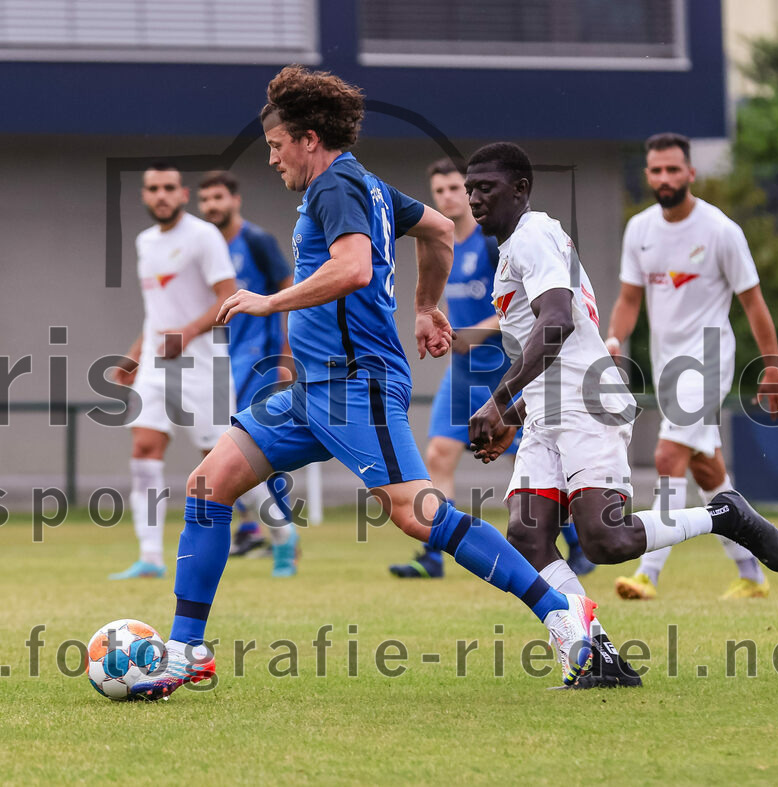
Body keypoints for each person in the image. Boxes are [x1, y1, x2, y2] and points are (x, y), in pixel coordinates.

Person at [130, 66, 599, 700]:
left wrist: (270, 303)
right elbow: (437, 230)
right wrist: (427, 306)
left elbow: (351, 268)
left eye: (276, 146)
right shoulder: (366, 185)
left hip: (358, 387)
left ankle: (566, 620)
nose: (272, 159)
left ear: (309, 138)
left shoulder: (336, 187)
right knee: (208, 484)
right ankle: (186, 651)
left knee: (418, 514)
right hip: (312, 391)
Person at [465, 143, 778, 690]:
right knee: (527, 536)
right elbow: (560, 347)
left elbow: (558, 322)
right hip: (551, 411)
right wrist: (517, 414)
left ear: (521, 189)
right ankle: (596, 656)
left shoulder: (533, 235)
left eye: (487, 188)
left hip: (589, 406)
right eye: (470, 189)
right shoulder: (515, 248)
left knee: (604, 541)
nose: (475, 199)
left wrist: (498, 401)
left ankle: (722, 515)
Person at [387, 158, 594, 579]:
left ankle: (578, 543)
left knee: (533, 461)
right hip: (462, 371)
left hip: (504, 367)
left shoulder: (493, 243)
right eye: (443, 190)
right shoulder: (446, 246)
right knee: (439, 455)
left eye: (454, 189)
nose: (451, 197)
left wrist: (478, 332)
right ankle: (433, 553)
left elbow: (520, 310)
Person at [607, 133, 778, 601]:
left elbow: (753, 302)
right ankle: (751, 575)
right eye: (656, 170)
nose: (664, 178)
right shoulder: (640, 230)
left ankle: (648, 572)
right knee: (709, 471)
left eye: (673, 169)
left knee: (668, 457)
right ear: (647, 175)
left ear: (691, 173)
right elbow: (630, 299)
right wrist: (613, 340)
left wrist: (773, 366)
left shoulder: (721, 230)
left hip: (708, 359)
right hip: (669, 366)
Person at [109, 163, 238, 580]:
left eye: (168, 187)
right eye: (152, 188)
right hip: (157, 364)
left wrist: (186, 334)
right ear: (144, 196)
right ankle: (150, 556)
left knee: (223, 464)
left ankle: (279, 532)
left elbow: (228, 297)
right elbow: (157, 311)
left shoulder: (204, 236)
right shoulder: (144, 242)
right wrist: (135, 353)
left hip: (205, 365)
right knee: (144, 447)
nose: (160, 195)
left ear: (183, 194)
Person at [197, 169, 299, 577]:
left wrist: (288, 352)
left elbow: (288, 287)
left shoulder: (255, 241)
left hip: (257, 357)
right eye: (205, 201)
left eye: (218, 197)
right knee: (221, 449)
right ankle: (253, 527)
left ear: (235, 200)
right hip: (216, 361)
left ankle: (281, 532)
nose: (212, 207)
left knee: (258, 445)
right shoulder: (204, 247)